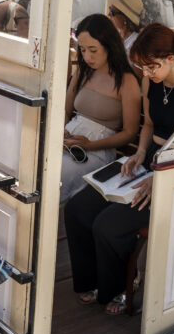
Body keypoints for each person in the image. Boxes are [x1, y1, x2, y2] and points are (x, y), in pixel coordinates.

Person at [64, 23, 174, 315]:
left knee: (108, 224)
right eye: (142, 67)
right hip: (148, 158)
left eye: (152, 66)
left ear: (171, 58)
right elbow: (150, 125)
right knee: (77, 209)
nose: (146, 73)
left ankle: (122, 283)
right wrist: (141, 151)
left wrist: (162, 175)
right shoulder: (149, 80)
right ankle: (90, 279)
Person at [60, 14, 141, 201]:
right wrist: (62, 130)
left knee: (55, 175)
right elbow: (65, 109)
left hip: (99, 148)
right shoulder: (83, 71)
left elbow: (129, 132)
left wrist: (90, 145)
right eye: (82, 50)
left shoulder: (126, 81)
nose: (87, 56)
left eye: (93, 50)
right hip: (71, 138)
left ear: (108, 46)